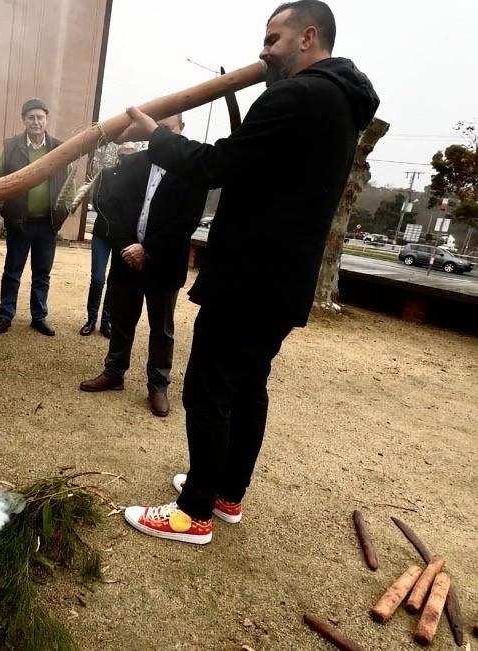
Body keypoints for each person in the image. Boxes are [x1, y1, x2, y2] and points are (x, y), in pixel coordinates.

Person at [120, 0, 379, 545]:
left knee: (210, 387)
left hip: (249, 277)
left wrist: (156, 136)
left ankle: (193, 513)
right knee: (247, 386)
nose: (262, 51)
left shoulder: (298, 96)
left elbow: (217, 166)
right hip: (282, 281)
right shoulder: (339, 102)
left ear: (308, 37)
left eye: (273, 38)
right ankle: (225, 493)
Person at [78, 116, 208, 418]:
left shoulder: (192, 169)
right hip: (126, 258)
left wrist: (147, 249)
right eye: (158, 126)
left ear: (181, 129)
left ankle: (158, 385)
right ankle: (114, 372)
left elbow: (186, 221)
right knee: (122, 320)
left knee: (161, 328)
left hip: (164, 263)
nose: (163, 133)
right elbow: (113, 206)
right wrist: (129, 245)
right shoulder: (134, 162)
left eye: (169, 128)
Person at [0, 98, 71, 337]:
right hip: (20, 223)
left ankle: (39, 317)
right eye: (31, 117)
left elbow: (70, 184)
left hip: (47, 224)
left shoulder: (58, 148)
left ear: (46, 119)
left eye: (40, 117)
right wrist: (5, 211)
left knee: (42, 274)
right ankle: (6, 314)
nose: (36, 122)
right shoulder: (12, 146)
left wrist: (62, 213)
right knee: (12, 271)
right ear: (24, 120)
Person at [80, 142, 140, 338]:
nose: (125, 159)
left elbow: (138, 208)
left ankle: (107, 321)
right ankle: (91, 319)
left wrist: (118, 207)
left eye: (130, 155)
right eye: (122, 155)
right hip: (102, 234)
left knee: (115, 281)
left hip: (124, 237)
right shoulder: (106, 174)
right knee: (98, 278)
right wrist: (120, 208)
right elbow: (98, 200)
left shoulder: (140, 178)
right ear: (118, 156)